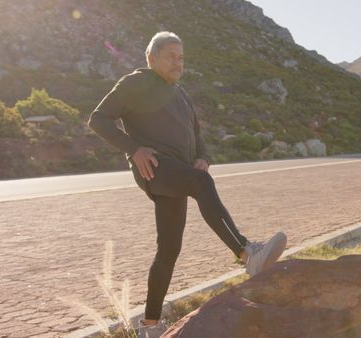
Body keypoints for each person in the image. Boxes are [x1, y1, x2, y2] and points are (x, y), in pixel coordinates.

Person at [88, 31, 287, 338]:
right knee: (200, 183)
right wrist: (134, 149)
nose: (177, 63)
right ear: (151, 58)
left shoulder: (180, 94)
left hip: (178, 171)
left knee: (169, 248)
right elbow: (99, 120)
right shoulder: (135, 83)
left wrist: (203, 158)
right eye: (170, 56)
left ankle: (150, 326)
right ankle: (247, 253)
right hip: (155, 167)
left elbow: (198, 139)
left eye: (181, 58)